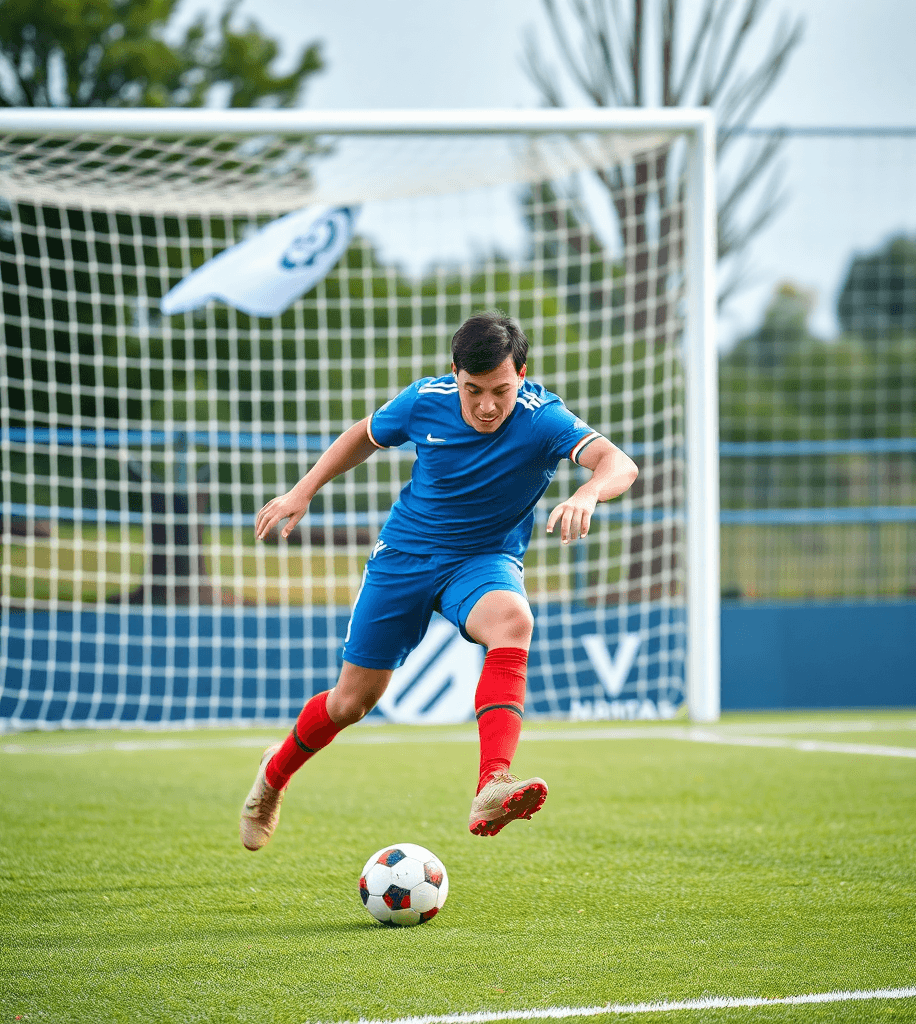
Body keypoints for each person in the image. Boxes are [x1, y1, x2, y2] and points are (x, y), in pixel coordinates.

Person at [240, 309, 638, 850]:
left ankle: (492, 783)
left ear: (522, 373)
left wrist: (587, 492)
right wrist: (302, 490)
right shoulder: (424, 399)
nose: (486, 405)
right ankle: (273, 776)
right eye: (473, 389)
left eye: (499, 389)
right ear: (455, 372)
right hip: (403, 557)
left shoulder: (542, 418)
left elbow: (618, 463)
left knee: (514, 620)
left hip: (481, 560)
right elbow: (365, 434)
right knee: (350, 704)